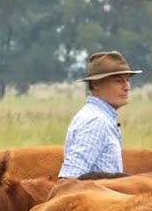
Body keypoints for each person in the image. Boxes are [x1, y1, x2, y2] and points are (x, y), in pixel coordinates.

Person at [57, 50, 142, 178]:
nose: (127, 87)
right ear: (95, 84)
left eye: (127, 80)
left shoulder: (96, 116)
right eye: (118, 81)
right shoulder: (96, 121)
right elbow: (70, 176)